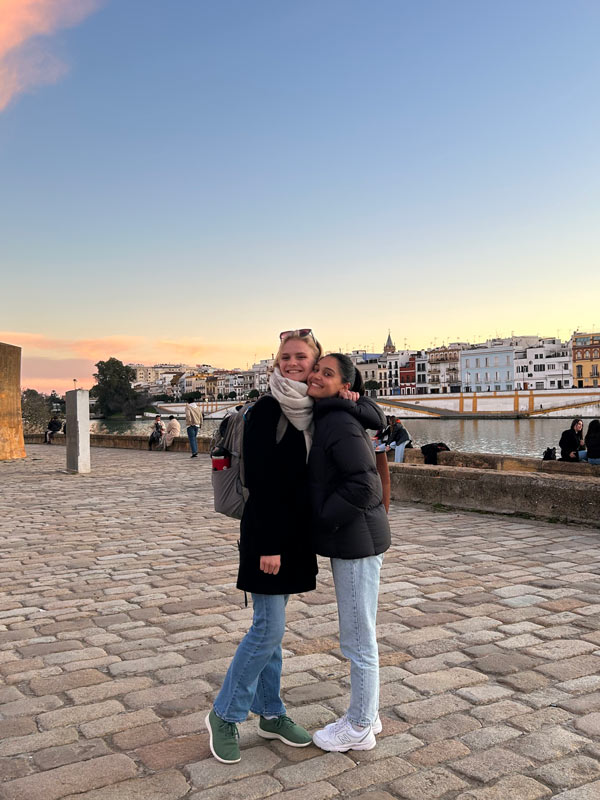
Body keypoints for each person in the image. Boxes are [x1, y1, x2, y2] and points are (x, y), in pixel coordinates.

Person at [205, 329, 322, 764]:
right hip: (266, 535)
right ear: (276, 362)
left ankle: (271, 713)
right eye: (286, 357)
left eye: (301, 357)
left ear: (315, 363)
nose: (292, 363)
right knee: (267, 628)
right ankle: (225, 713)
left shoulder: (311, 409)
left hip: (296, 534)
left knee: (273, 628)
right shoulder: (268, 409)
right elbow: (261, 480)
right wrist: (269, 544)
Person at [307, 353, 391, 752]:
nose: (317, 376)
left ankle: (358, 725)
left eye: (328, 373)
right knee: (361, 633)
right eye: (316, 369)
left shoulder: (337, 421)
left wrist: (323, 516)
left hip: (355, 540)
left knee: (357, 638)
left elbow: (364, 484)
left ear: (345, 386)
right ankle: (369, 714)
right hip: (357, 537)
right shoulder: (335, 414)